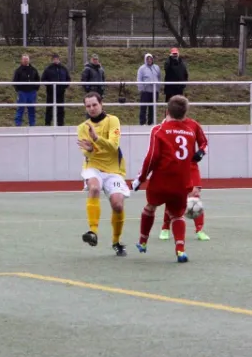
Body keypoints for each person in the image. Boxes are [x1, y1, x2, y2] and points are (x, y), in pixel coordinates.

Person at [131, 95, 200, 263]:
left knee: (150, 208)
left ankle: (143, 241)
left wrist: (140, 179)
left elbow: (152, 158)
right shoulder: (190, 132)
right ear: (185, 114)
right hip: (182, 182)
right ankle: (180, 250)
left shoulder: (159, 130)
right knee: (177, 215)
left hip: (161, 181)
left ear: (166, 111)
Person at [77, 92, 128, 256]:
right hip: (93, 167)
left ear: (101, 104)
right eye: (88, 106)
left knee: (118, 205)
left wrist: (96, 140)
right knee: (94, 188)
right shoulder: (82, 127)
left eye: (94, 105)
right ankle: (93, 231)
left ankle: (116, 241)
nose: (91, 108)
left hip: (114, 170)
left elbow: (113, 146)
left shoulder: (113, 121)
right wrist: (91, 150)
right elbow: (87, 154)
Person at [158, 113, 209, 242]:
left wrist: (201, 152)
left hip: (191, 165)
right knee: (172, 197)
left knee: (195, 195)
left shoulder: (193, 125)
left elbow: (204, 142)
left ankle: (199, 230)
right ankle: (165, 228)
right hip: (173, 165)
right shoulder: (165, 126)